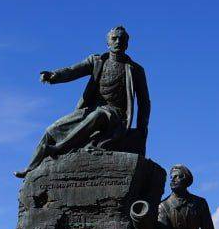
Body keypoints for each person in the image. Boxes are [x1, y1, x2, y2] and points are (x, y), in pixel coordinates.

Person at [16, 25, 151, 178]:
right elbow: (73, 70)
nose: (118, 41)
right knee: (52, 129)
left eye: (122, 39)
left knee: (98, 115)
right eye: (114, 38)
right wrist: (54, 75)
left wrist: (141, 130)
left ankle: (59, 148)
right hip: (92, 109)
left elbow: (144, 102)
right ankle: (31, 169)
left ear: (127, 44)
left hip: (116, 116)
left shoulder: (135, 69)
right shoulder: (97, 61)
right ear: (107, 43)